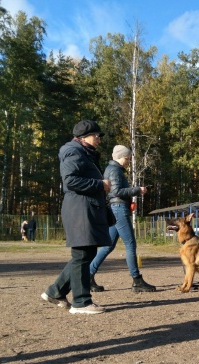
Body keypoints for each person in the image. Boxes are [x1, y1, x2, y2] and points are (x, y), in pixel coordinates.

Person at [41, 120, 112, 315]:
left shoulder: (83, 152)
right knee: (81, 254)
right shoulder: (73, 151)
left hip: (85, 208)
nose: (99, 138)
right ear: (83, 137)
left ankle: (56, 291)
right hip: (80, 209)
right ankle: (81, 302)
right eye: (96, 135)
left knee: (85, 254)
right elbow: (71, 180)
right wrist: (100, 184)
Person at [89, 145, 156, 293]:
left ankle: (88, 275)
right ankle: (137, 281)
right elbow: (117, 191)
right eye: (127, 158)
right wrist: (137, 190)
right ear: (120, 157)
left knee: (108, 246)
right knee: (130, 244)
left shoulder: (114, 169)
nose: (128, 161)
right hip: (119, 209)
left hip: (117, 207)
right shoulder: (114, 170)